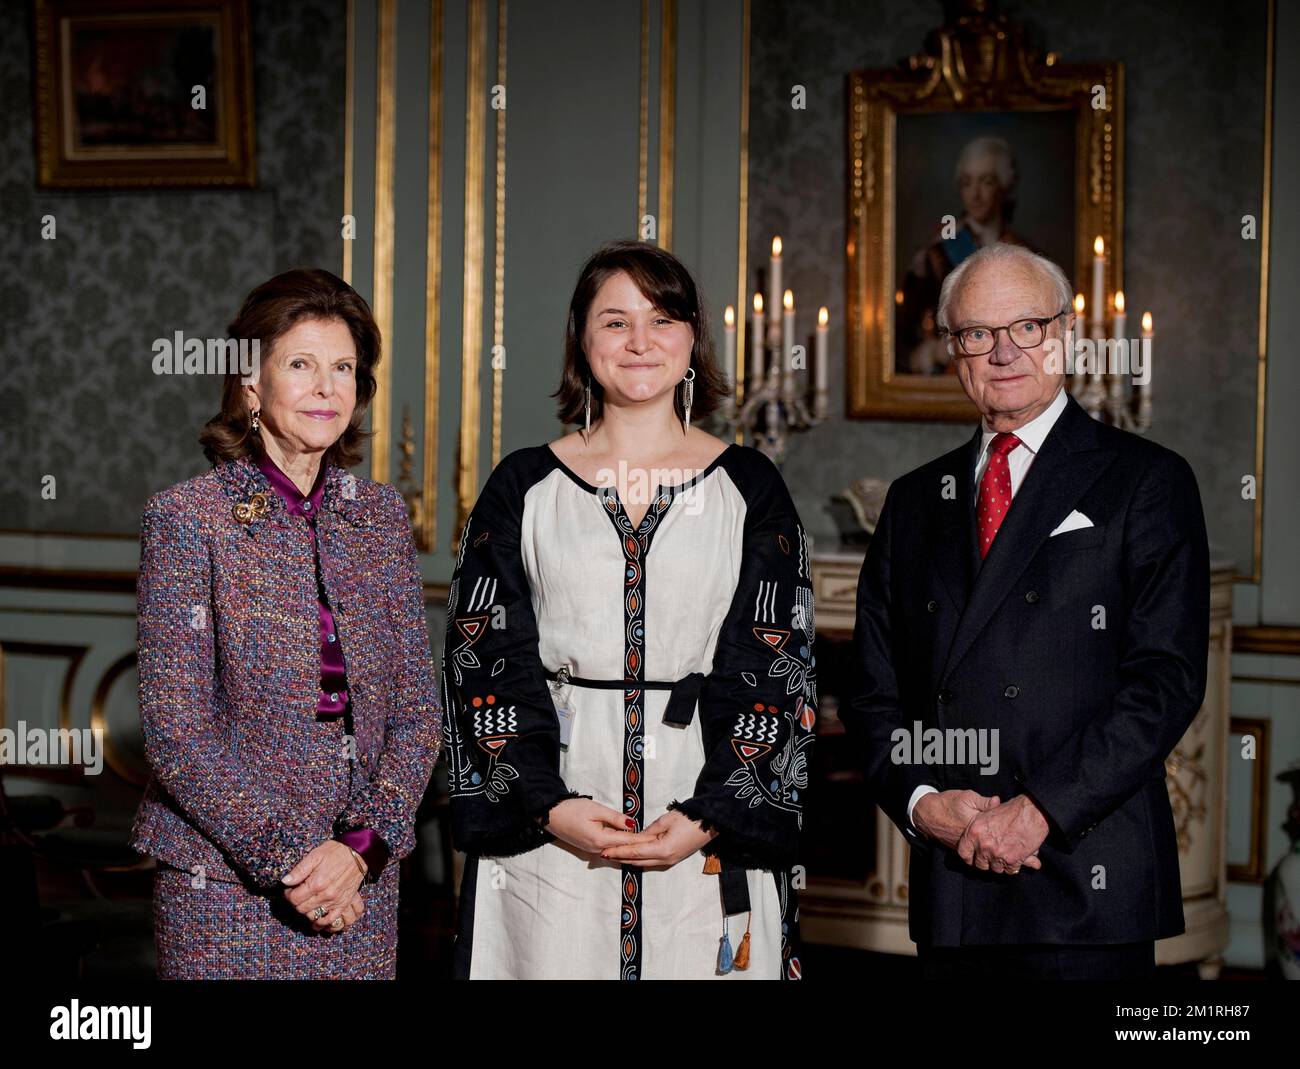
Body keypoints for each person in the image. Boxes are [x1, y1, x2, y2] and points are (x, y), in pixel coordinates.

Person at [441, 240, 815, 979]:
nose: (641, 341)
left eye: (663, 319)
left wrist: (709, 815)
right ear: (582, 343)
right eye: (615, 322)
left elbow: (779, 667)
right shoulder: (521, 485)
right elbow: (482, 660)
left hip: (700, 808)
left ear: (691, 343)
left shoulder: (751, 486)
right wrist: (547, 805)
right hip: (555, 810)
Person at [844, 242, 1209, 980]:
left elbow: (1164, 681)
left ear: (1066, 335)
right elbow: (871, 693)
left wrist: (1038, 808)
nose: (1004, 351)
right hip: (955, 883)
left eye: (1029, 327)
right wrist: (920, 802)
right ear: (954, 352)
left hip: (1084, 874)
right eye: (977, 332)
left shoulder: (1147, 480)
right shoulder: (914, 502)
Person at [129, 268, 442, 979]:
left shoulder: (381, 516)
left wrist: (361, 848)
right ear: (250, 382)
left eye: (344, 368)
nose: (327, 387)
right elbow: (177, 733)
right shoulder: (187, 519)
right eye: (300, 364)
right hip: (224, 884)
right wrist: (300, 865)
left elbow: (418, 715)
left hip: (360, 880)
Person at [898, 136, 1032, 375]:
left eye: (986, 182)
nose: (975, 194)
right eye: (967, 183)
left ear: (1004, 185)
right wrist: (932, 352)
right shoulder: (935, 254)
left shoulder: (1026, 253)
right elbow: (901, 342)